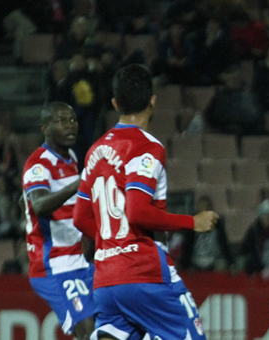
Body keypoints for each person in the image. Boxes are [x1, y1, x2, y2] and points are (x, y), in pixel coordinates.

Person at [73, 64, 218, 340]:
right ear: (153, 100)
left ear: (116, 103)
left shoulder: (95, 150)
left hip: (105, 280)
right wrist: (192, 222)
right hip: (144, 275)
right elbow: (137, 211)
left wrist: (111, 244)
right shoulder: (146, 147)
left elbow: (80, 218)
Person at [21, 102, 94, 340]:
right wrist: (79, 183)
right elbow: (39, 204)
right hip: (55, 266)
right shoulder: (38, 164)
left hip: (81, 261)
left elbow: (23, 201)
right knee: (87, 331)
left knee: (111, 325)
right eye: (62, 121)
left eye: (72, 120)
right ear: (46, 128)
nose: (71, 126)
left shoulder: (71, 157)